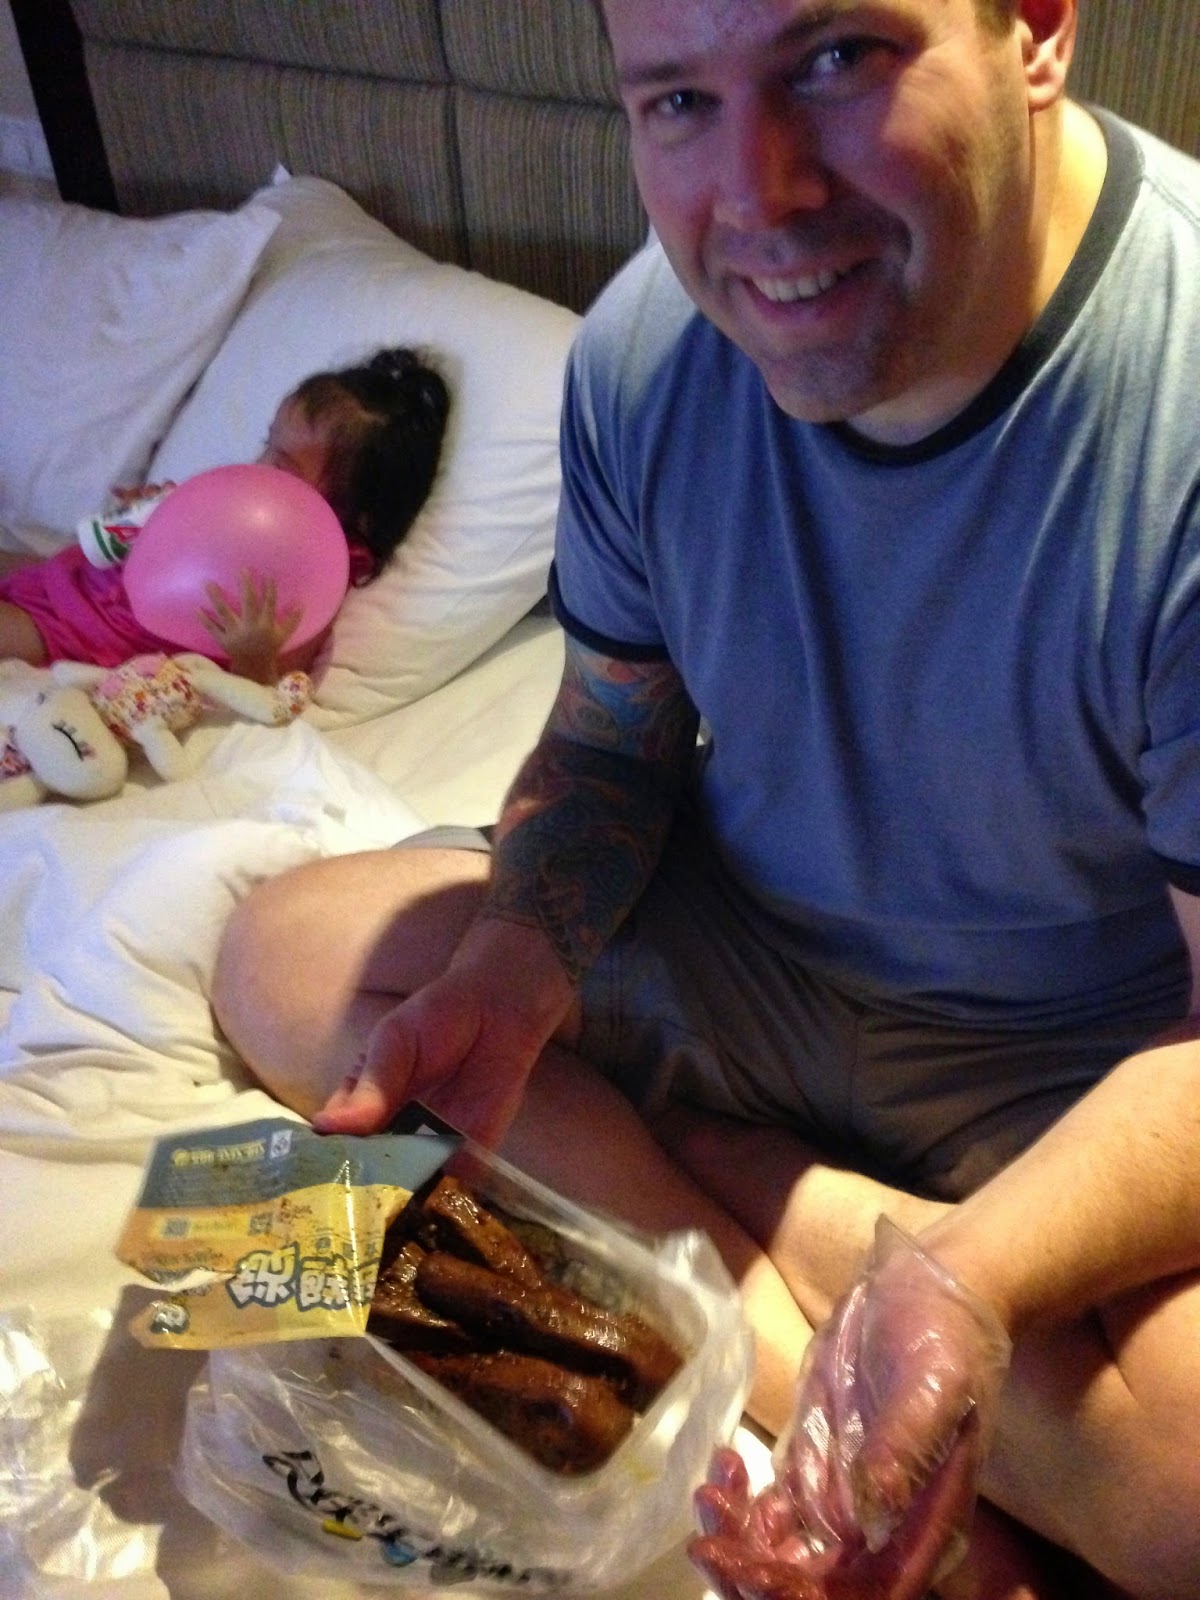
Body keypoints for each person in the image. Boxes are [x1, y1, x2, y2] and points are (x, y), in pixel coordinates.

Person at [211, 0, 1200, 1595]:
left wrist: (974, 1273)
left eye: (837, 59)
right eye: (678, 99)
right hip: (752, 960)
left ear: (1033, 26)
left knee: (1187, 1501)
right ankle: (816, 1363)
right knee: (286, 957)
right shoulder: (641, 357)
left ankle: (744, 1195)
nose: (759, 196)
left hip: (1074, 1069)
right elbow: (613, 748)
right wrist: (511, 974)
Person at [0, 347, 450, 684]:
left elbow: (268, 696)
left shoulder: (319, 572)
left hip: (92, 638)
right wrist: (152, 517)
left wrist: (254, 656)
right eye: (267, 444)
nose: (258, 466)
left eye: (283, 464)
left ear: (357, 513)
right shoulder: (247, 506)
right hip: (77, 579)